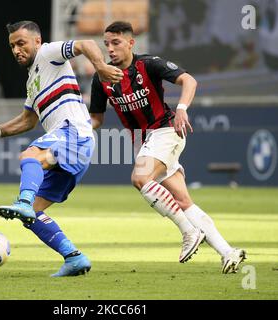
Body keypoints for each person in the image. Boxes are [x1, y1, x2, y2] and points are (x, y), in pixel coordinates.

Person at [0, 21, 123, 277]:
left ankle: (24, 201)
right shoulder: (33, 81)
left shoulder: (49, 53)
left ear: (37, 41)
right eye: (12, 46)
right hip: (72, 143)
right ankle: (74, 257)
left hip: (74, 133)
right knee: (33, 215)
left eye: (21, 43)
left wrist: (101, 66)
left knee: (30, 156)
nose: (16, 50)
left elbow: (86, 44)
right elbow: (27, 121)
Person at [89, 21, 246, 274]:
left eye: (116, 42)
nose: (110, 49)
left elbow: (189, 81)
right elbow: (96, 119)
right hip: (143, 142)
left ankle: (188, 232)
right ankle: (228, 252)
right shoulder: (102, 78)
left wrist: (181, 109)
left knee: (140, 179)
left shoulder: (148, 64)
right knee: (184, 201)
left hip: (165, 130)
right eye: (106, 44)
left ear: (131, 43)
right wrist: (76, 127)